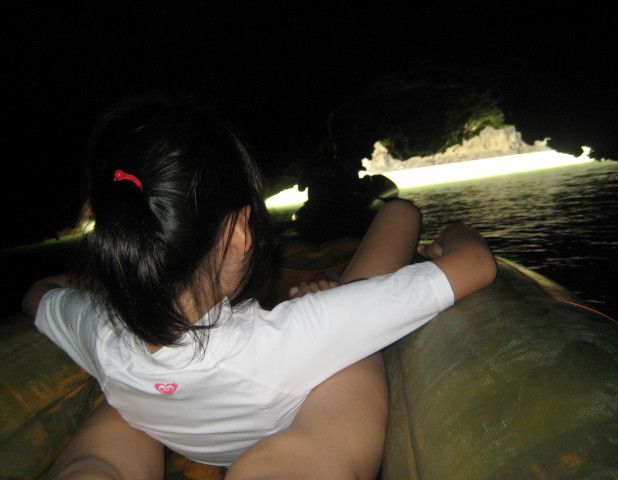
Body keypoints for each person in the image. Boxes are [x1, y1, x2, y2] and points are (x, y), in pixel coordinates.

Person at [23, 95, 496, 479]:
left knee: (107, 436)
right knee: (388, 253)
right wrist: (454, 235)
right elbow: (476, 265)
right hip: (287, 427)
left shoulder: (98, 332)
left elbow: (37, 294)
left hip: (166, 423)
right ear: (239, 235)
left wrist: (115, 283)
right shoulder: (295, 336)